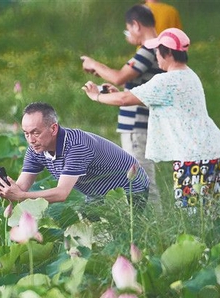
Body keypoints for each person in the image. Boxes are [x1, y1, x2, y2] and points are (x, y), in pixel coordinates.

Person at [82, 28, 220, 217]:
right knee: (207, 213)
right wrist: (116, 93)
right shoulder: (189, 75)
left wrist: (96, 97)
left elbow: (125, 99)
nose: (156, 56)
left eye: (157, 52)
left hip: (193, 155)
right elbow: (142, 98)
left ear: (167, 53)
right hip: (211, 151)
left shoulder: (167, 80)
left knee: (191, 214)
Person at [80, 4, 163, 208]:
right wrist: (118, 93)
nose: (128, 35)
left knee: (143, 181)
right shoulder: (159, 49)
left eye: (128, 29)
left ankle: (154, 229)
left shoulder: (148, 49)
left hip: (137, 127)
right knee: (142, 179)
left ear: (136, 25)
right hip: (140, 124)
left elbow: (119, 76)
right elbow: (138, 88)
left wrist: (94, 64)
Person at [0, 102, 149, 208]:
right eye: (26, 133)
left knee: (125, 239)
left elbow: (61, 193)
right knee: (90, 239)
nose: (31, 140)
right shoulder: (35, 149)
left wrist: (21, 196)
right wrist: (8, 190)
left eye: (35, 133)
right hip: (96, 194)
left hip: (129, 188)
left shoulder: (76, 145)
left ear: (53, 129)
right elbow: (21, 188)